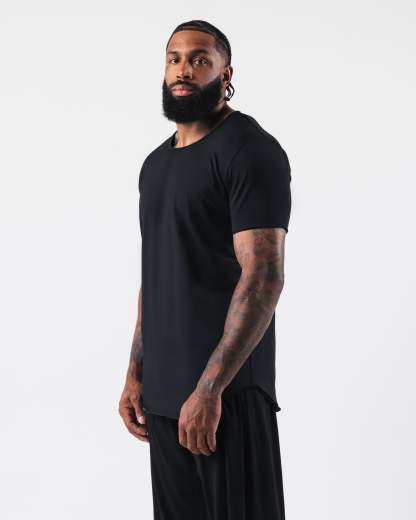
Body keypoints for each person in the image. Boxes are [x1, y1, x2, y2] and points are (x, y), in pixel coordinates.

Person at [119, 19, 292, 519]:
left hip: (226, 396)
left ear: (225, 73)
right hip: (165, 398)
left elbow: (264, 276)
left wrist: (210, 389)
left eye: (200, 59)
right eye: (174, 58)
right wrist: (135, 372)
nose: (184, 70)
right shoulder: (155, 165)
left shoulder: (249, 149)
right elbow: (157, 273)